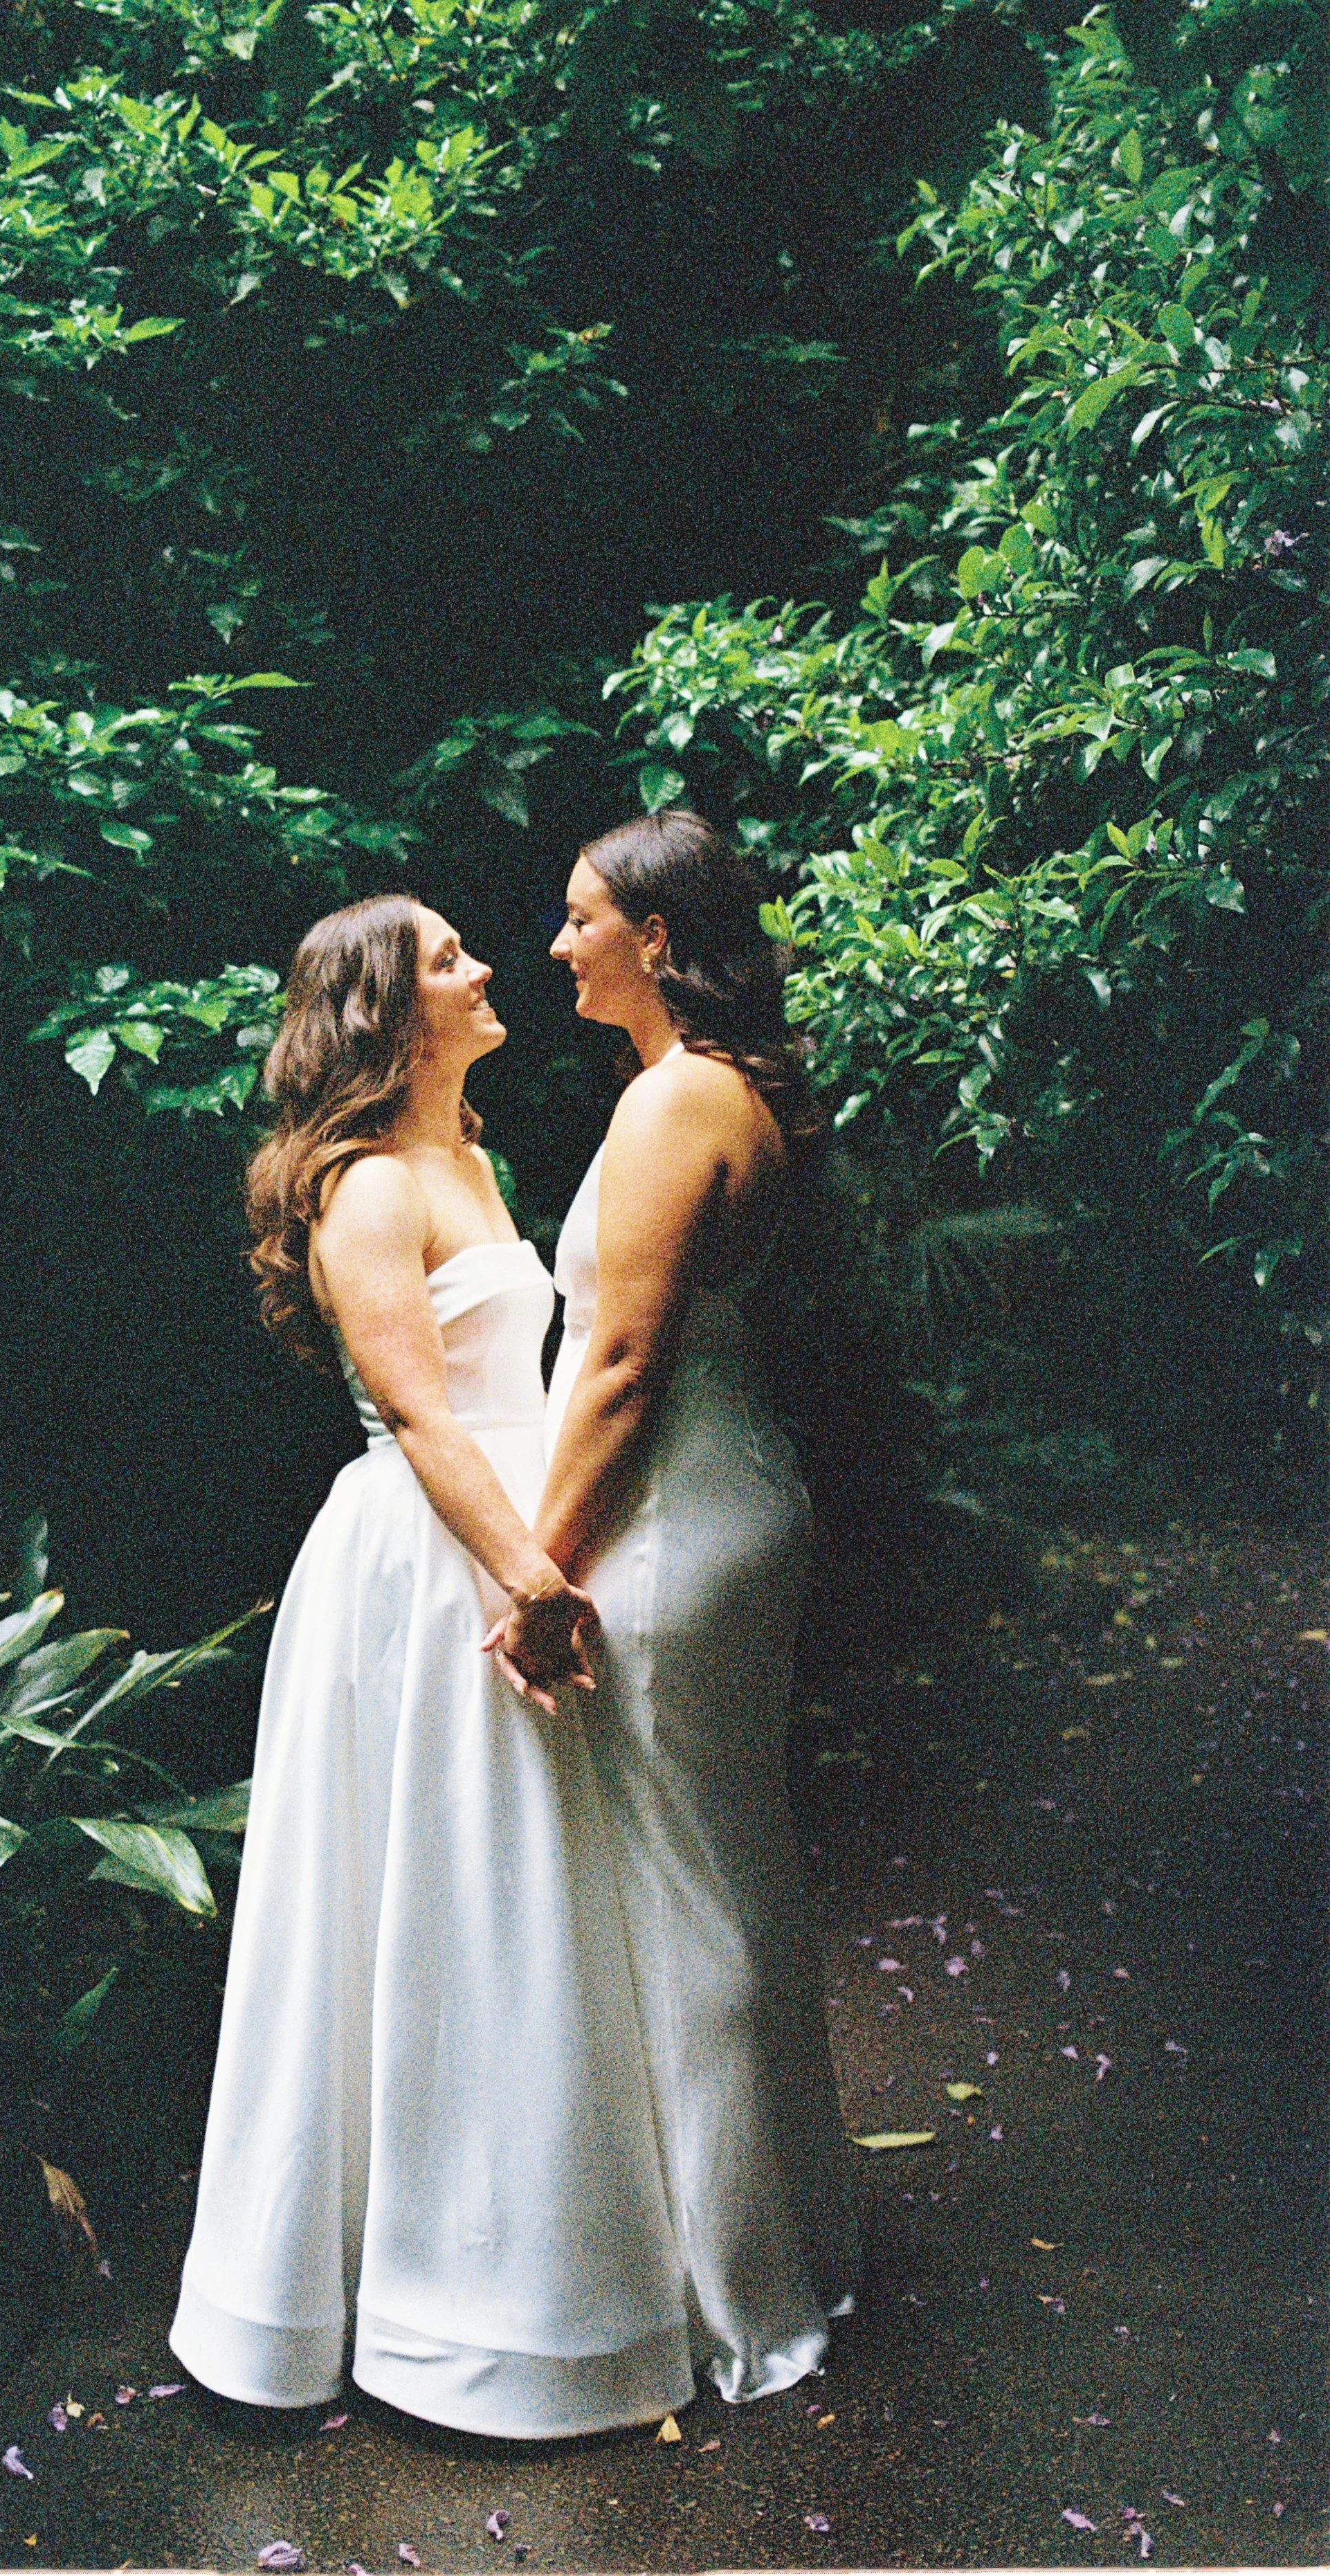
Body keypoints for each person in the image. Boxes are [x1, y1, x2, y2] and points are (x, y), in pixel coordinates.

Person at [170, 892, 697, 2438]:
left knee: (511, 1905)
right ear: (389, 1014)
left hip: (505, 1546)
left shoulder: (468, 1158)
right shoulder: (365, 1185)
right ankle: (385, 2310)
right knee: (426, 1900)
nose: (484, 969)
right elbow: (418, 1415)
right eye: (451, 957)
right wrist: (527, 1575)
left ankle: (509, 2285)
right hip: (426, 1563)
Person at [491, 806, 860, 2402]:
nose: (555, 942)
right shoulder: (719, 1092)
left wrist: (539, 1571)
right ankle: (796, 2239)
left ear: (653, 938)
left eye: (579, 917)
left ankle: (737, 2290)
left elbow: (622, 1366)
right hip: (732, 1486)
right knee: (735, 1868)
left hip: (668, 1519)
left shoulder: (670, 1108)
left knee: (688, 1891)